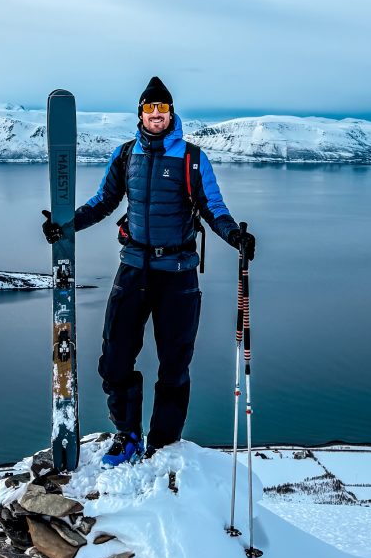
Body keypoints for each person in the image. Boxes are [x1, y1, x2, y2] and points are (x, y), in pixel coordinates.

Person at [42, 76, 255, 466]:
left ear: (171, 113)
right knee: (115, 360)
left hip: (177, 274)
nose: (156, 115)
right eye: (149, 109)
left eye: (162, 109)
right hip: (133, 270)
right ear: (140, 113)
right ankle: (127, 435)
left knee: (174, 365)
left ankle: (162, 443)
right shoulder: (126, 156)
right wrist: (66, 224)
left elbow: (214, 208)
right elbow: (103, 201)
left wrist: (235, 238)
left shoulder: (192, 158)